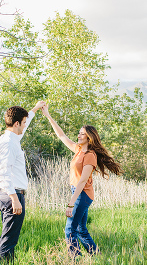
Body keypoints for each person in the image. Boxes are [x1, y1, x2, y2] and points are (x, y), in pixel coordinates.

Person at [40, 105, 121, 256]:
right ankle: (96, 256)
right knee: (81, 229)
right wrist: (48, 116)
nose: (79, 136)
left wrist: (71, 203)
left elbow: (82, 181)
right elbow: (62, 136)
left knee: (70, 230)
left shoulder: (90, 155)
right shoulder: (78, 150)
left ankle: (75, 264)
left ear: (89, 137)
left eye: (82, 134)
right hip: (78, 192)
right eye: (79, 133)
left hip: (82, 194)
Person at [0, 101, 44, 264]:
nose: (24, 126)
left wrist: (34, 110)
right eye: (22, 123)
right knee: (8, 240)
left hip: (10, 194)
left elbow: (24, 126)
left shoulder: (11, 138)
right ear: (16, 123)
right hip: (12, 195)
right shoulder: (9, 143)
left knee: (10, 238)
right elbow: (4, 172)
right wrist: (15, 198)